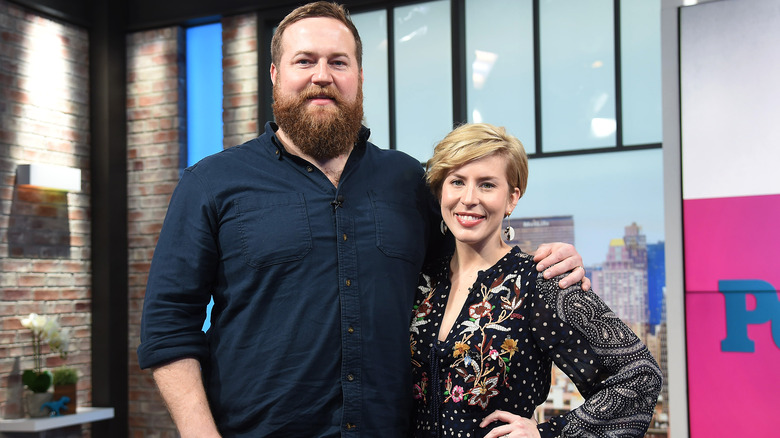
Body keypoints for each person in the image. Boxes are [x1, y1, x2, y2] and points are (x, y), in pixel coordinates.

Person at [137, 3, 588, 437]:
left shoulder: (408, 179)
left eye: (338, 62)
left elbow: (462, 270)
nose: (322, 76)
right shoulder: (212, 182)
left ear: (359, 77)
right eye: (304, 61)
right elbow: (168, 326)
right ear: (275, 75)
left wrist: (544, 263)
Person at [409, 123, 662, 437]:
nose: (469, 198)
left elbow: (639, 377)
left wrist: (549, 434)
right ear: (440, 191)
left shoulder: (540, 280)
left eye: (487, 185)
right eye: (457, 182)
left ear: (512, 198)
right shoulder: (418, 281)